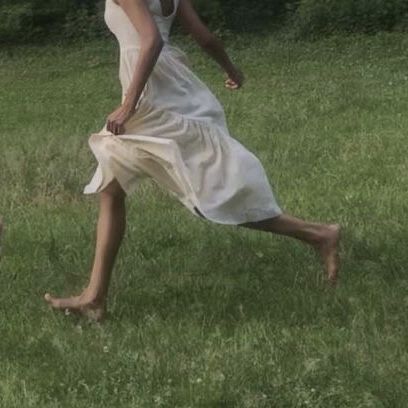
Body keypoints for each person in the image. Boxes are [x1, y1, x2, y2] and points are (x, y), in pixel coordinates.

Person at [44, 0, 340, 321]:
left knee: (208, 195)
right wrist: (231, 69)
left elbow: (151, 40)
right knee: (111, 187)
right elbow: (205, 37)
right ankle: (95, 297)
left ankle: (317, 233)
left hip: (151, 94)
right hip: (170, 84)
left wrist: (129, 103)